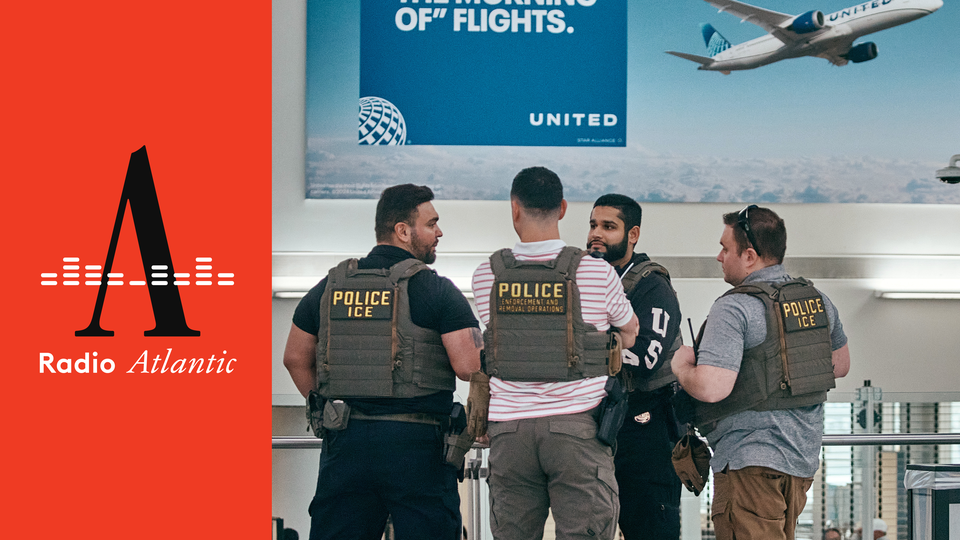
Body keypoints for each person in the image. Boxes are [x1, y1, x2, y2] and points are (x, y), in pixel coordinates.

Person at [283, 184, 482, 540]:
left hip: (346, 442)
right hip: (417, 445)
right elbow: (469, 366)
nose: (439, 232)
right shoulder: (435, 290)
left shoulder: (329, 287)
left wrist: (326, 410)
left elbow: (295, 358)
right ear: (403, 231)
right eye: (431, 223)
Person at [471, 167, 639, 540]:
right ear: (562, 208)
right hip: (577, 433)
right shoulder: (596, 272)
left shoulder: (486, 275)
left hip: (509, 434)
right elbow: (630, 333)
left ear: (514, 208)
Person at [671, 205, 851, 540]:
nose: (719, 257)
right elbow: (840, 364)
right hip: (801, 462)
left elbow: (711, 388)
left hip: (749, 463)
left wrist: (681, 365)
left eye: (726, 249)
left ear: (749, 256)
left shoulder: (734, 307)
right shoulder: (817, 300)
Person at [587, 194, 683, 540]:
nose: (596, 234)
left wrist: (584, 347)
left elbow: (646, 359)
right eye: (593, 225)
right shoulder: (583, 279)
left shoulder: (652, 287)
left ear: (633, 234)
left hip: (647, 435)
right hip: (594, 429)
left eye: (608, 226)